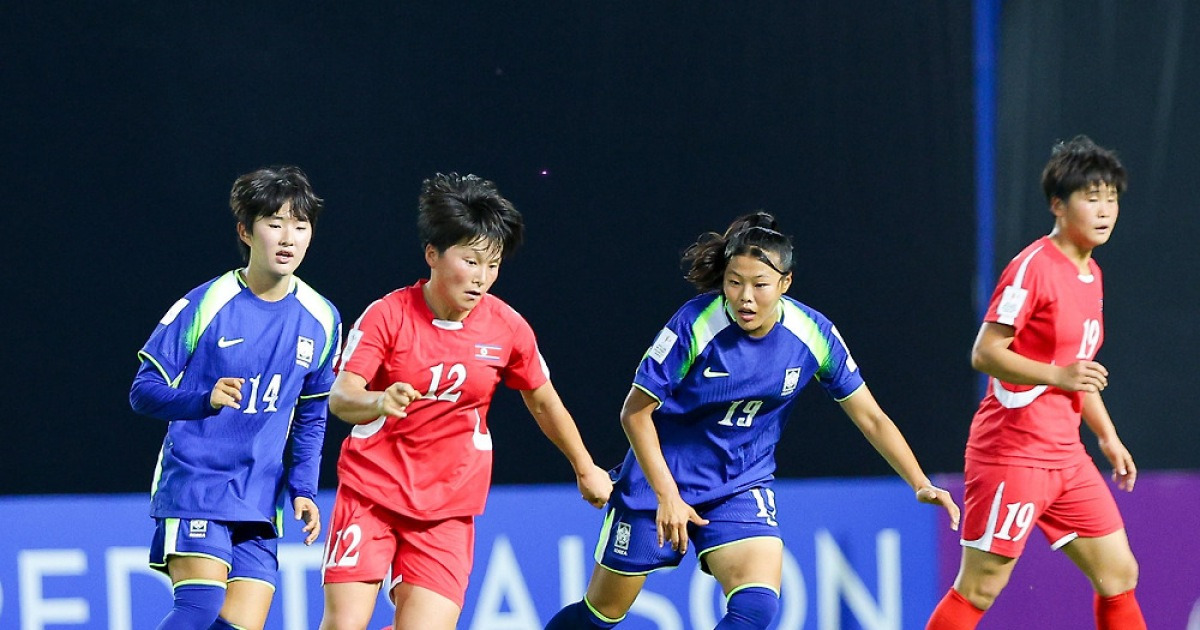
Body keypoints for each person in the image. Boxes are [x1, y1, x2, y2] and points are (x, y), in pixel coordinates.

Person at [545, 212, 960, 630]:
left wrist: (919, 482)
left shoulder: (813, 334)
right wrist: (668, 495)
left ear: (785, 282)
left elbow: (871, 417)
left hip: (739, 484)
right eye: (734, 282)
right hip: (659, 481)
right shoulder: (695, 324)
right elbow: (634, 413)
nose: (745, 297)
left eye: (760, 284)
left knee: (757, 607)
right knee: (600, 616)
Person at [318, 172, 613, 630]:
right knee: (344, 625)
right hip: (371, 494)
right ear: (432, 254)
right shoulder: (387, 315)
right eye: (470, 261)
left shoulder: (507, 328)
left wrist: (585, 467)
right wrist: (379, 401)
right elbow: (342, 396)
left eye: (491, 265)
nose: (481, 278)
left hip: (448, 508)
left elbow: (544, 402)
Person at [925, 135, 1145, 630]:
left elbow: (1078, 370)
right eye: (1092, 197)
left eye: (1111, 197)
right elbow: (985, 352)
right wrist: (1057, 376)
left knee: (1118, 573)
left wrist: (1107, 438)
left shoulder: (1092, 275)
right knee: (980, 588)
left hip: (1066, 455)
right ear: (1057, 204)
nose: (1105, 209)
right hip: (1013, 452)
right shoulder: (1033, 268)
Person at [129, 165, 341, 630]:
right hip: (197, 484)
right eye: (274, 223)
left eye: (300, 226)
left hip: (260, 496)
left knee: (239, 626)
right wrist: (202, 399)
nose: (289, 237)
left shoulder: (323, 318)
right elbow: (142, 392)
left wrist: (304, 488)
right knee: (199, 608)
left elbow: (312, 415)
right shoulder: (206, 303)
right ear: (246, 231)